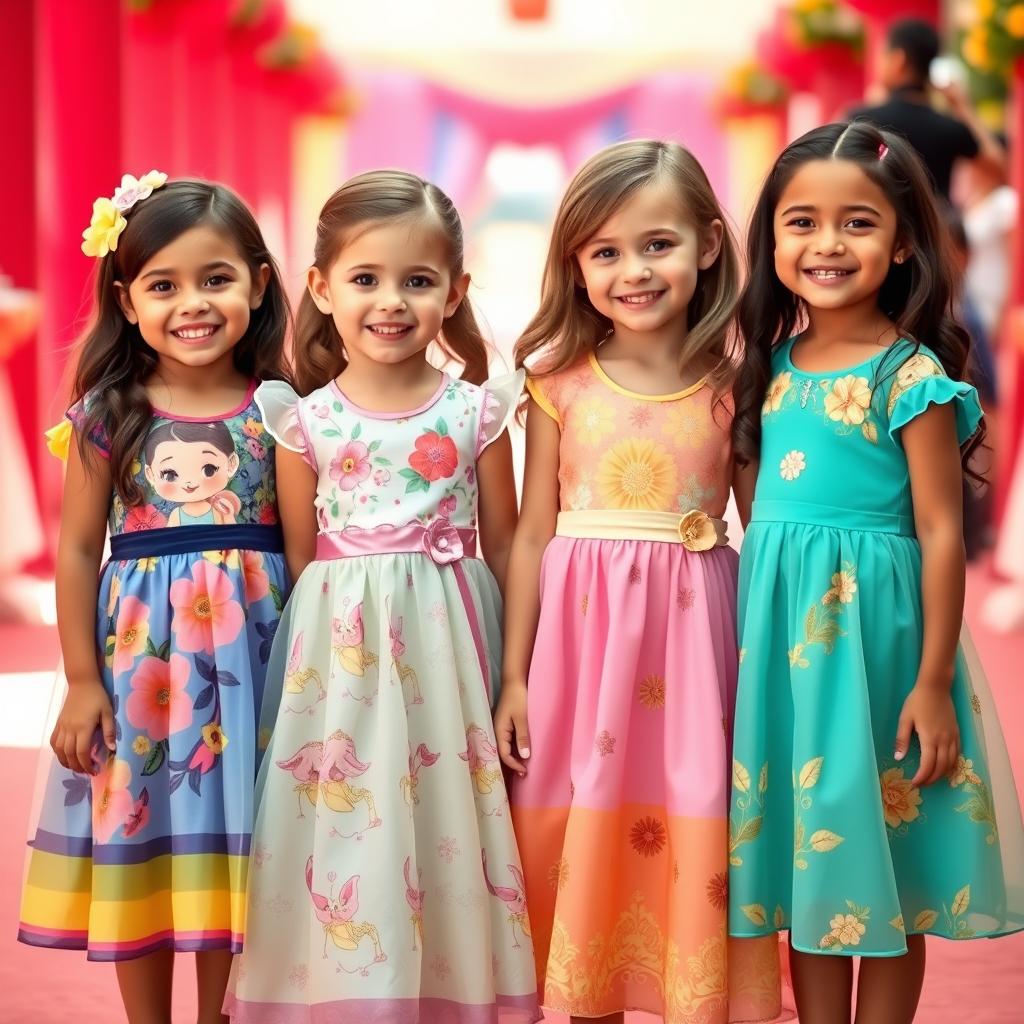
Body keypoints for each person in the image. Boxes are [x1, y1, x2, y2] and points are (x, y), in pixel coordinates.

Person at [223, 170, 540, 1023]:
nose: (390, 301)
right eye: (365, 279)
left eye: (418, 280)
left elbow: (507, 542)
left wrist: (516, 672)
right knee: (346, 818)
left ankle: (448, 986)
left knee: (445, 816)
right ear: (323, 288)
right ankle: (338, 988)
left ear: (455, 291)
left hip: (452, 643)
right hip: (341, 652)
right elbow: (302, 560)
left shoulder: (478, 413)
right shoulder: (304, 420)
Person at [729, 121, 1024, 1024]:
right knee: (810, 870)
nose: (826, 244)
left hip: (883, 651)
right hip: (787, 660)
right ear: (770, 239)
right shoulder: (765, 373)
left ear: (902, 242)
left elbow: (941, 532)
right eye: (801, 222)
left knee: (891, 863)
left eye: (856, 223)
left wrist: (933, 682)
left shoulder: (913, 375)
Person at [496, 140, 782, 1024]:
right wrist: (513, 674)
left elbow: (761, 527)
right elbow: (531, 532)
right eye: (606, 252)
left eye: (657, 244)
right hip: (581, 654)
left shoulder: (737, 386)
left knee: (695, 811)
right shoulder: (556, 386)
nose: (633, 270)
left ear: (706, 244)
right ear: (576, 266)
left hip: (696, 646)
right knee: (586, 816)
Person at [17, 174, 293, 1024]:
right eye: (163, 286)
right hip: (142, 668)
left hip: (251, 668)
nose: (193, 304)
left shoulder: (282, 411)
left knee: (234, 855)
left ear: (257, 281)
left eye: (216, 279)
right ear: (126, 300)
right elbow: (73, 547)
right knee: (141, 837)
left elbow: (308, 549)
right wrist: (82, 680)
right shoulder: (109, 414)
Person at [848, 18, 1005, 203]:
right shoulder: (949, 127)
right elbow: (998, 166)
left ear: (899, 59)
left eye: (883, 55)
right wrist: (964, 109)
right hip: (934, 228)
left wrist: (869, 107)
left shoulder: (862, 120)